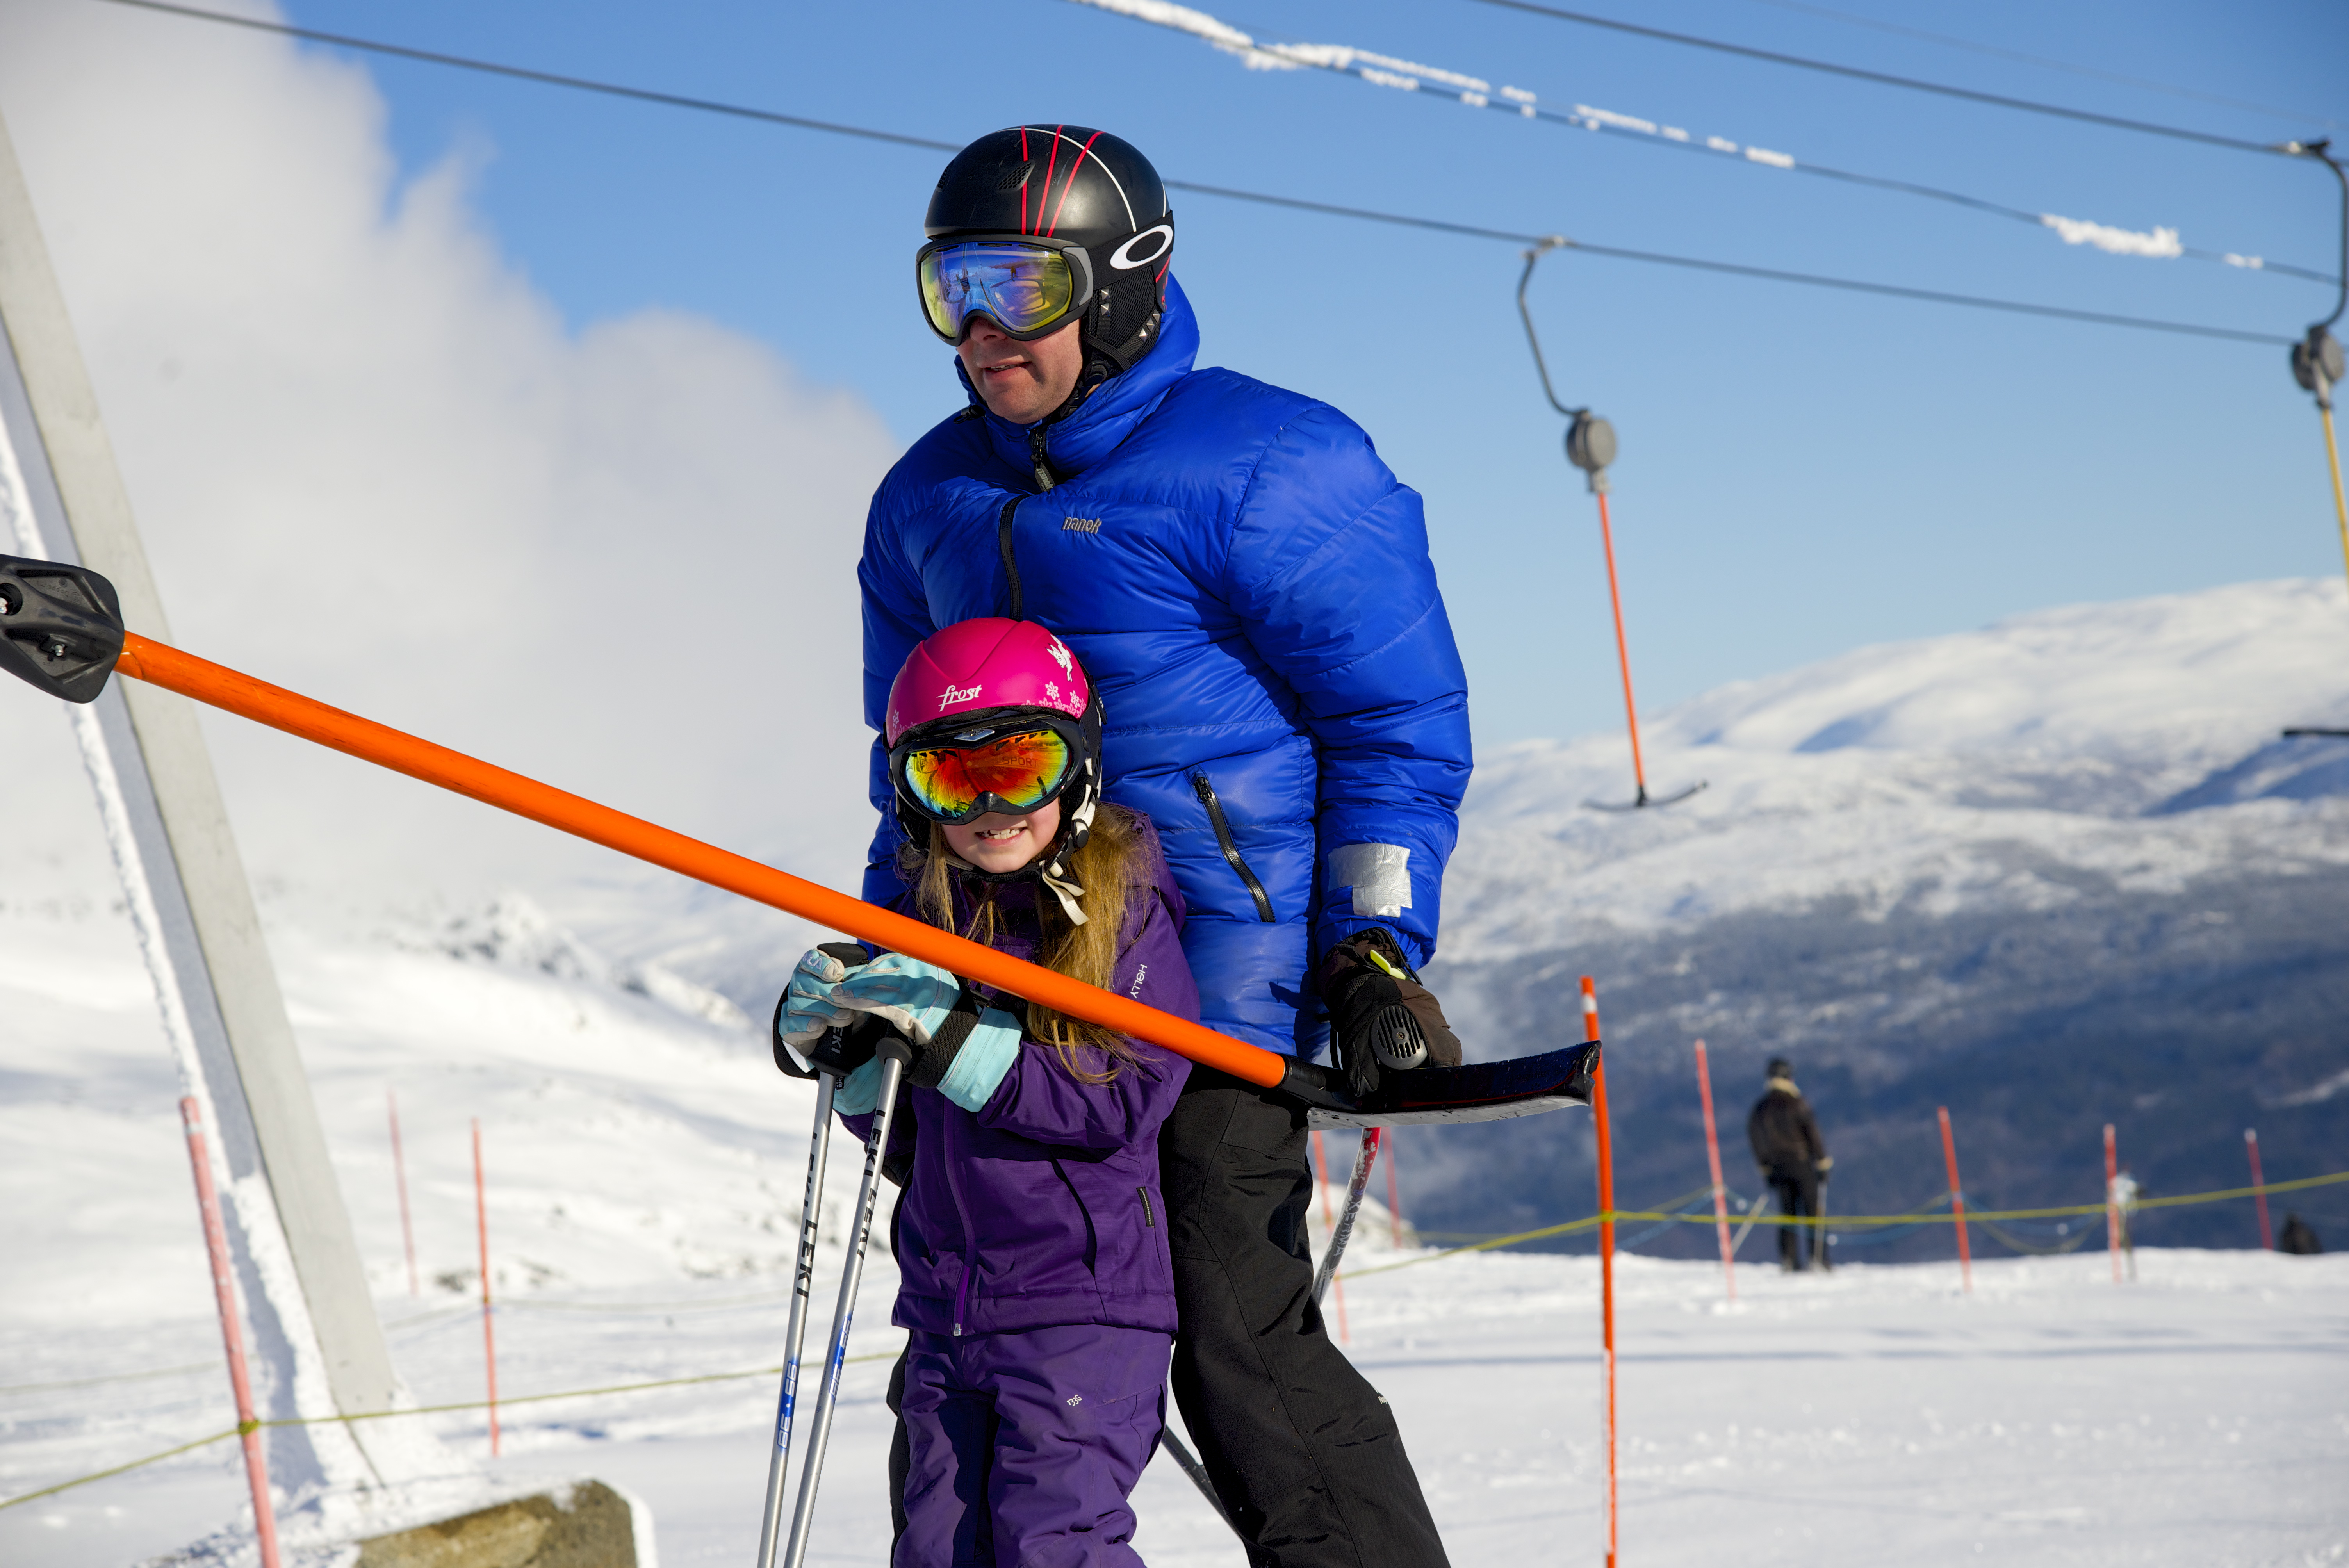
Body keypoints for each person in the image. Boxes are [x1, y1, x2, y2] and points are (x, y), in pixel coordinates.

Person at [859, 126, 1468, 1564]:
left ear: (1125, 283)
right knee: (978, 1356)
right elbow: (904, 776)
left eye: (1022, 285)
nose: (985, 332)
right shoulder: (923, 500)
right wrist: (889, 969)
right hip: (999, 1003)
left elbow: (1393, 728)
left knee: (1233, 1352)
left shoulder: (1275, 466)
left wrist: (1372, 950)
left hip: (1201, 1003)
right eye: (954, 291)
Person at [779, 619, 1200, 1566]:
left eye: (1019, 764)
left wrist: (954, 1038)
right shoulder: (921, 918)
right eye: (950, 777)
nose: (991, 805)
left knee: (1054, 1543)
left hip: (1080, 1307)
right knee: (938, 1550)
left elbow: (1121, 1098)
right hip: (947, 1306)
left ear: (1078, 765)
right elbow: (913, 1150)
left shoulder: (1124, 902)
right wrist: (854, 1070)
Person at [1748, 1057, 1831, 1272]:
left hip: (1777, 1168)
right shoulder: (1797, 1103)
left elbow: (1755, 1139)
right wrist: (1822, 1162)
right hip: (1802, 1164)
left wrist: (1765, 1166)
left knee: (1787, 1215)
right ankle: (1818, 1259)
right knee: (1813, 1213)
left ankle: (1789, 1260)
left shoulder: (1761, 1108)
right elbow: (1812, 1133)